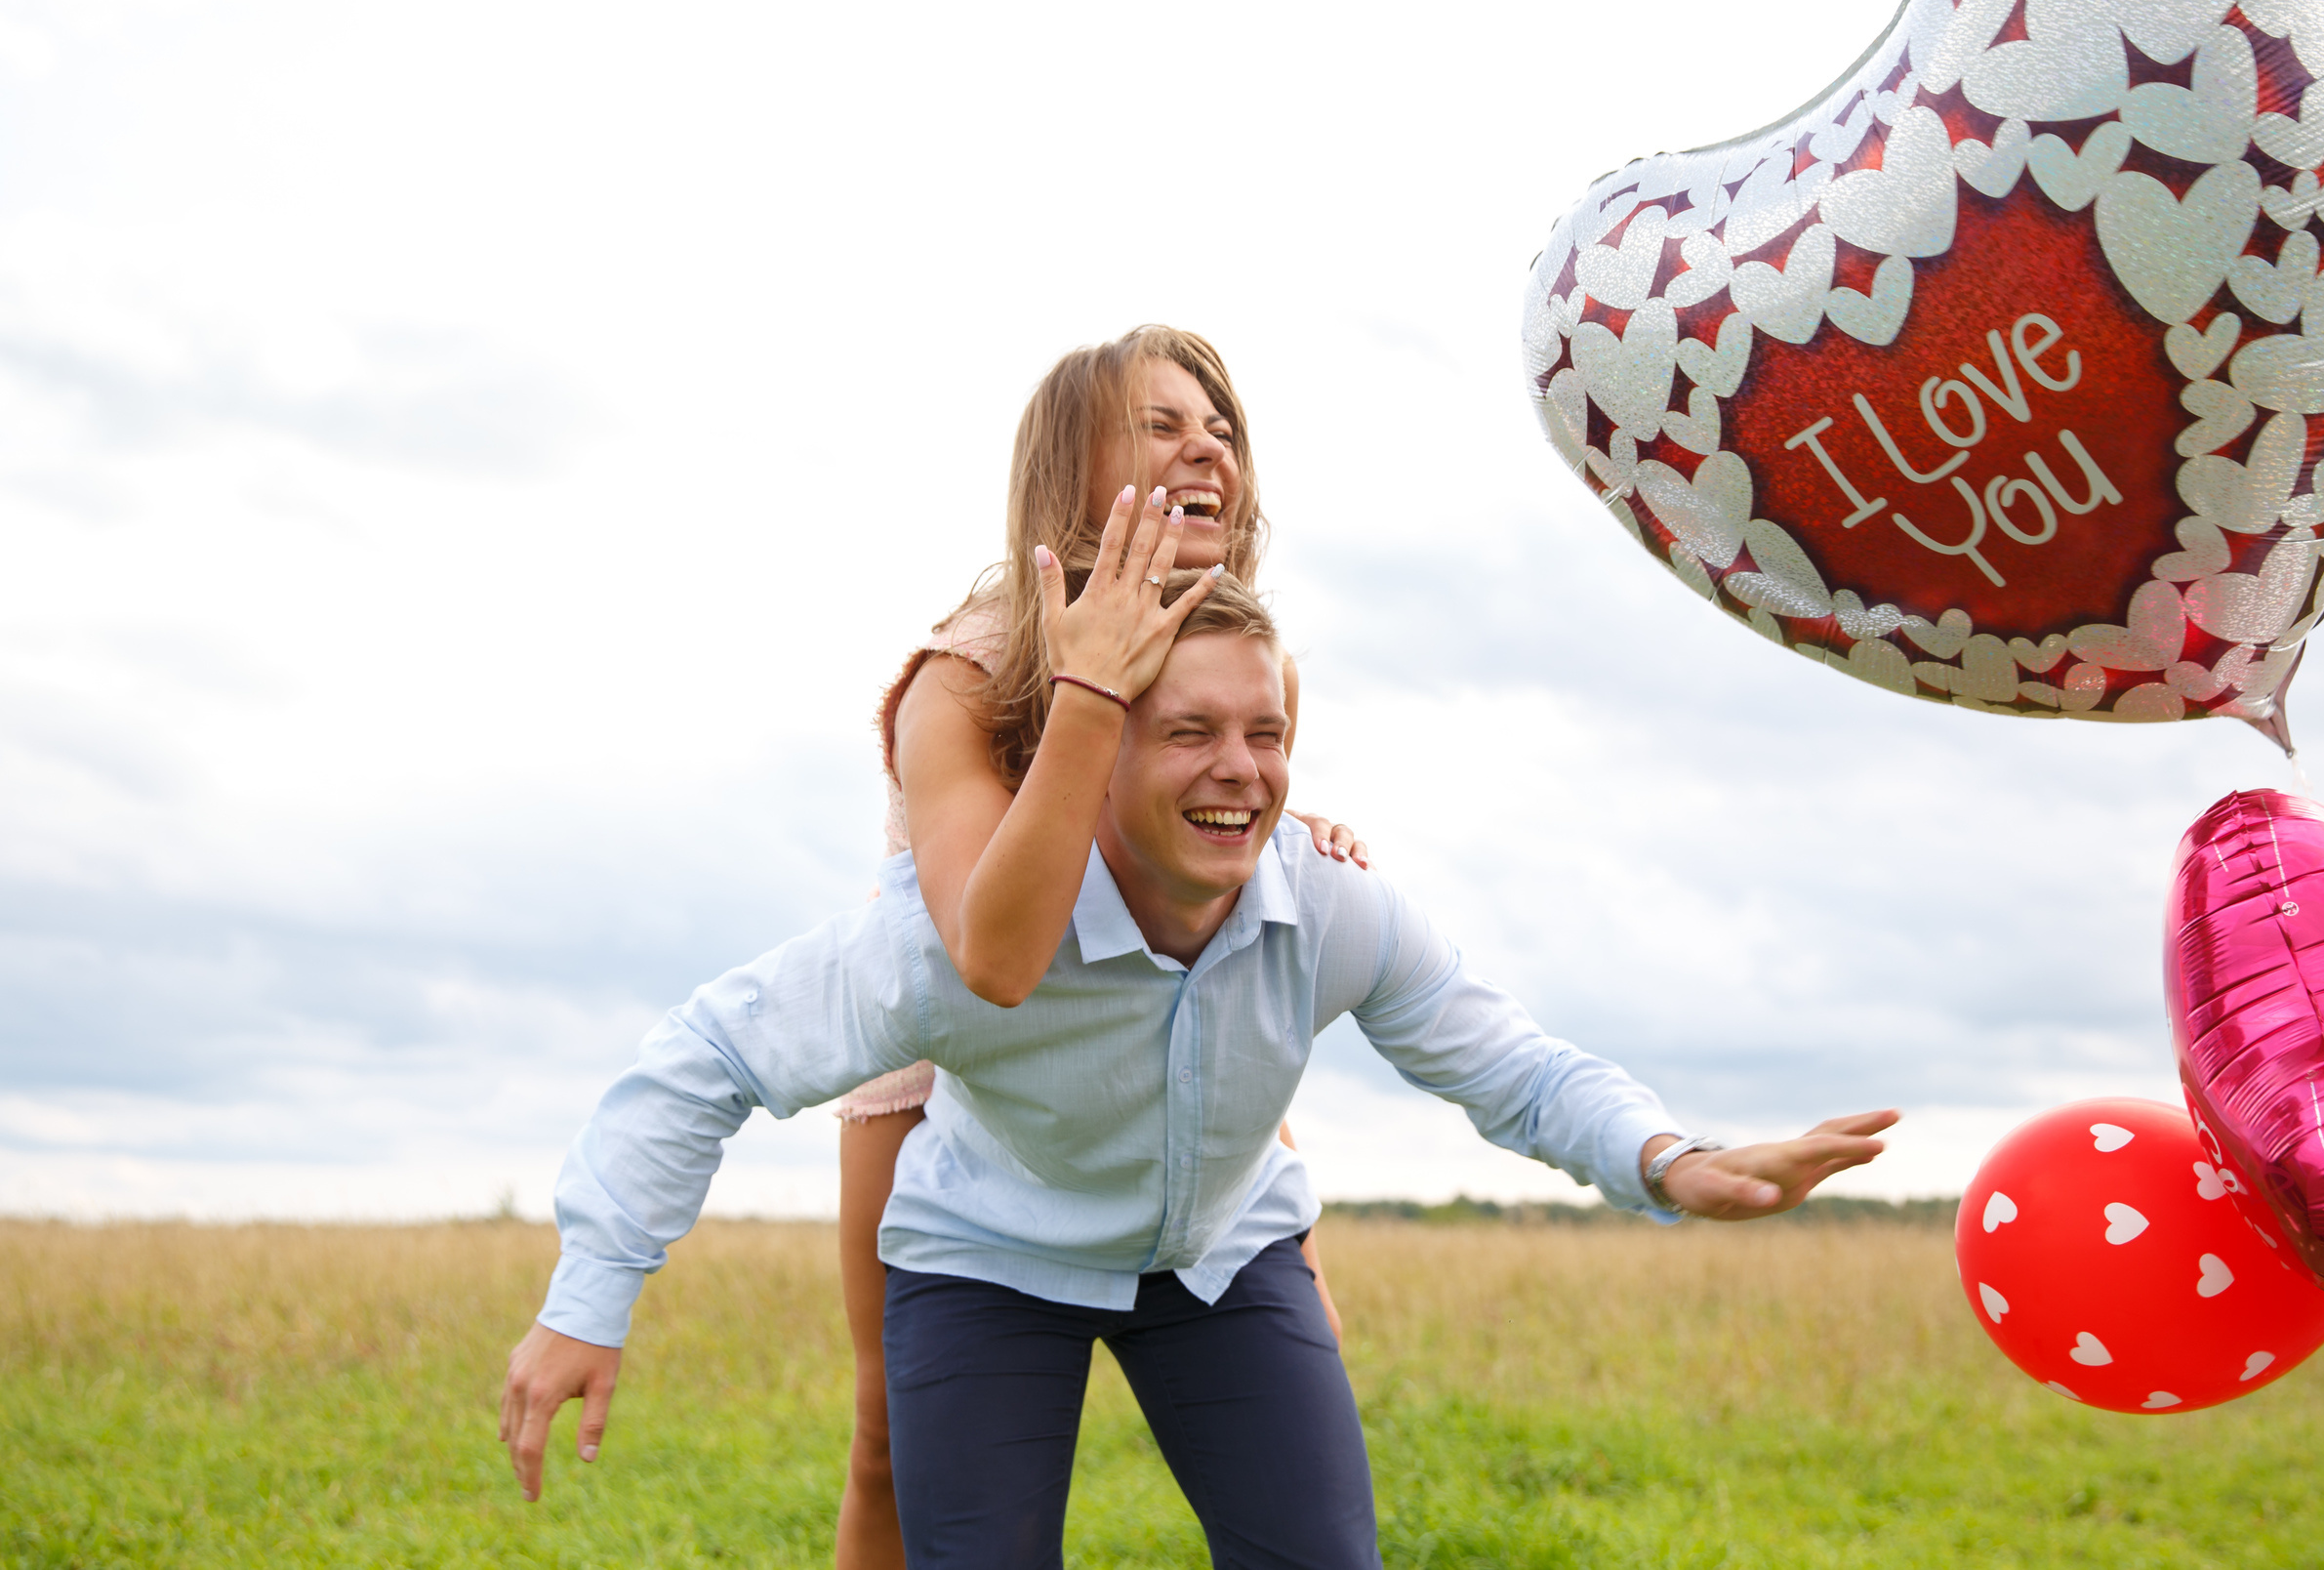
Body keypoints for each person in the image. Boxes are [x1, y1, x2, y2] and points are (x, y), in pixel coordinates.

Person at [501, 575, 1896, 1567]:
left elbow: (1514, 1068)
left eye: (1266, 732)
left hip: (1224, 1266)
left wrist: (1673, 1158)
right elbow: (709, 1052)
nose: (1241, 770)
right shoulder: (958, 942)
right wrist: (588, 1299)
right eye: (1190, 731)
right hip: (988, 1262)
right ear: (1094, 759)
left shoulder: (1333, 907)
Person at [836, 325, 1363, 1565]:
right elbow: (989, 954)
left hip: (1163, 1020)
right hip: (945, 1051)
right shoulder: (967, 673)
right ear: (1070, 469)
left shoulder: (1234, 651)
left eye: (1220, 429)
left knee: (1299, 1330)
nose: (1205, 450)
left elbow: (1214, 849)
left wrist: (1299, 832)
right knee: (887, 1438)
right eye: (1161, 423)